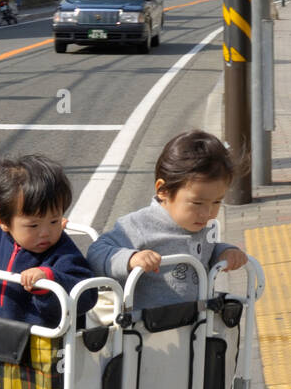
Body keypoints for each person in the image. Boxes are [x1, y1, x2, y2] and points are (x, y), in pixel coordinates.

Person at [88, 130, 248, 308]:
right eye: (197, 202)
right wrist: (131, 259)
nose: (207, 213)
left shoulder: (202, 225)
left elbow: (205, 252)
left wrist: (223, 251)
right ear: (163, 191)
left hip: (193, 325)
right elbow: (96, 252)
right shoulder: (140, 224)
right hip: (147, 329)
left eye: (217, 201)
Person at [0, 154, 95, 327]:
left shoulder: (62, 251)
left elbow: (87, 294)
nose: (45, 232)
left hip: (43, 343)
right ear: (3, 222)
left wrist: (49, 279)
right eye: (33, 225)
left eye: (54, 221)